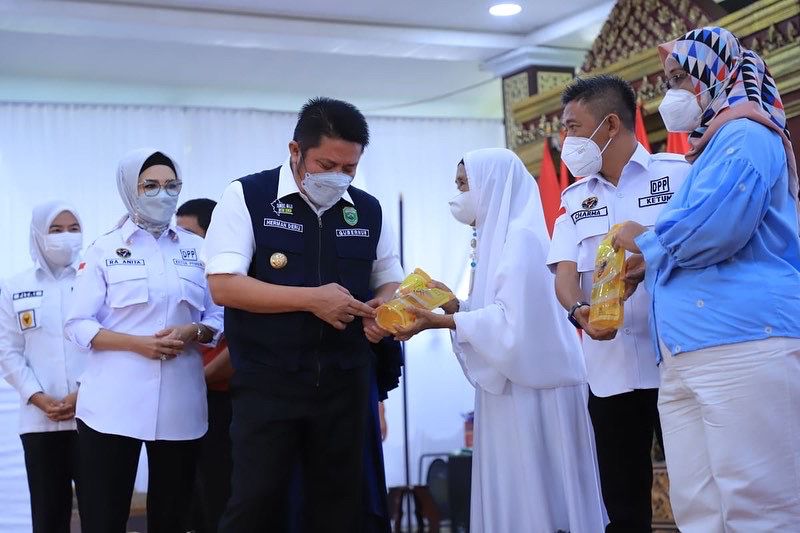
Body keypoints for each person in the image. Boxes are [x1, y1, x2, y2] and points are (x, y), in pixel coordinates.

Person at [612, 26, 800, 532]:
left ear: (716, 74)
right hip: (688, 349)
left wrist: (645, 241)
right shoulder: (710, 148)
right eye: (668, 80)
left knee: (760, 508)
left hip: (744, 341)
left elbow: (719, 226)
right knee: (698, 511)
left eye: (680, 78)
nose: (670, 92)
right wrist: (646, 265)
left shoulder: (748, 134)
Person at [203, 97, 403, 532]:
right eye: (326, 164)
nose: (338, 177)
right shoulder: (248, 197)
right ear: (295, 150)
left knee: (340, 508)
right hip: (269, 381)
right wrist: (311, 299)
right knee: (257, 503)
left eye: (349, 168)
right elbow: (224, 285)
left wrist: (383, 307)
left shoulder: (367, 208)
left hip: (345, 384)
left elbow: (390, 279)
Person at [393, 148, 607, 533]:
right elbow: (495, 314)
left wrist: (442, 321)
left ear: (491, 184)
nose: (458, 196)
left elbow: (513, 324)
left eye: (464, 185)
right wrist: (453, 304)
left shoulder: (522, 239)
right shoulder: (495, 238)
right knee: (514, 495)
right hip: (512, 383)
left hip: (536, 390)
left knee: (538, 500)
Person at [546, 74, 691, 533]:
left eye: (572, 126)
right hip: (609, 372)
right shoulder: (575, 198)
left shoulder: (679, 174)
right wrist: (579, 312)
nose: (564, 139)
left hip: (675, 360)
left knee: (699, 494)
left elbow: (698, 248)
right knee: (624, 511)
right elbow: (564, 275)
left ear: (609, 124)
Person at [63, 149, 223, 533]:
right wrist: (136, 344)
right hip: (112, 407)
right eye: (150, 185)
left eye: (171, 186)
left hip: (181, 405)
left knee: (173, 517)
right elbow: (77, 324)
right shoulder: (103, 249)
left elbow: (218, 317)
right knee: (104, 517)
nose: (162, 194)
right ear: (129, 189)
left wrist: (193, 331)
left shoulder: (197, 249)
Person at [0, 201, 87, 533]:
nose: (66, 237)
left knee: (100, 512)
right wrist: (38, 397)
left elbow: (106, 346)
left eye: (73, 229)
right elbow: (7, 350)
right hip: (39, 421)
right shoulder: (14, 286)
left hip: (94, 416)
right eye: (56, 229)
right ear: (38, 233)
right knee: (48, 515)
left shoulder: (95, 278)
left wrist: (83, 393)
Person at [176, 198, 234, 533]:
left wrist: (195, 380)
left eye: (188, 232)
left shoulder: (233, 278)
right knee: (190, 498)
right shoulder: (183, 275)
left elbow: (237, 349)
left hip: (222, 401)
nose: (179, 240)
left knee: (218, 495)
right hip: (187, 399)